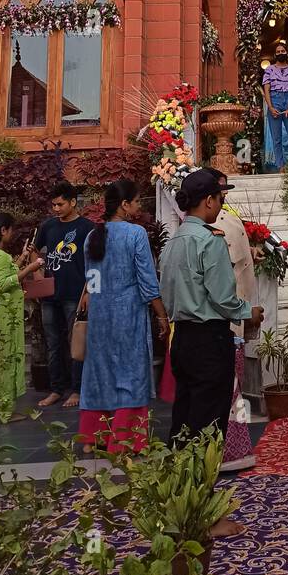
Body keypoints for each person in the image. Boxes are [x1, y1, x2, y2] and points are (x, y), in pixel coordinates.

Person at [160, 169, 263, 444]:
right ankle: (202, 479)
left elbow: (166, 292)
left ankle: (181, 478)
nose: (220, 205)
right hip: (209, 338)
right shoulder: (210, 239)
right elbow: (222, 297)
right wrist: (247, 313)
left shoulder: (173, 242)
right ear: (208, 201)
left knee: (185, 413)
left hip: (181, 335)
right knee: (209, 419)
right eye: (219, 198)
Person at [78, 179, 168, 455]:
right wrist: (162, 316)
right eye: (137, 201)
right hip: (128, 315)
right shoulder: (135, 234)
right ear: (125, 205)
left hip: (100, 316)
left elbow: (91, 281)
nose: (139, 207)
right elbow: (148, 282)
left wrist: (95, 306)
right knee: (130, 374)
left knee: (99, 373)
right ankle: (126, 439)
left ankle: (94, 438)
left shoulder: (92, 236)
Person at [208, 169, 260, 473]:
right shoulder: (210, 227)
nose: (224, 195)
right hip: (225, 315)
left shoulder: (227, 217)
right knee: (227, 385)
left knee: (234, 383)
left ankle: (237, 447)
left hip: (235, 309)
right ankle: (227, 450)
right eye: (220, 191)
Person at [33, 181, 94, 409]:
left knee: (75, 341)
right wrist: (38, 274)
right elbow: (35, 252)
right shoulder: (48, 226)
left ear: (73, 202)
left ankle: (78, 389)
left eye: (60, 204)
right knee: (53, 343)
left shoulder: (87, 228)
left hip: (75, 294)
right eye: (54, 205)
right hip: (50, 294)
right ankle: (56, 389)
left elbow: (96, 262)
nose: (56, 209)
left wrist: (89, 290)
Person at [0, 211, 42, 424]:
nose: (13, 234)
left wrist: (23, 258)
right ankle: (5, 410)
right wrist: (31, 268)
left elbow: (7, 273)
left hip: (5, 313)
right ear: (3, 230)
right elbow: (4, 283)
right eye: (11, 229)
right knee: (7, 359)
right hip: (7, 315)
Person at [262, 41, 288, 171]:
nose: (280, 53)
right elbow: (266, 89)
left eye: (282, 51)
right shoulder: (269, 70)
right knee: (277, 138)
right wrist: (270, 106)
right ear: (275, 54)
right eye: (278, 52)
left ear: (287, 52)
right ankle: (281, 166)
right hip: (274, 100)